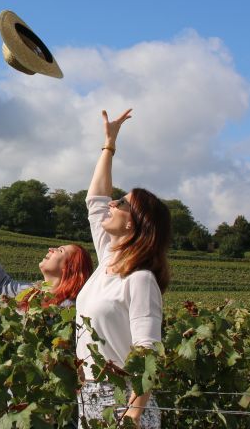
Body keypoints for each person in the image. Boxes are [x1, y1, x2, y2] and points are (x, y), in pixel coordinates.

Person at [75, 109, 171, 428]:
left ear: (133, 221)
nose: (111, 204)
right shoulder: (108, 260)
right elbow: (95, 199)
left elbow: (147, 352)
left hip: (123, 401)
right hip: (90, 396)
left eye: (121, 202)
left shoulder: (140, 279)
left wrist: (132, 415)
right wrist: (109, 144)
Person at [0, 221, 92, 311]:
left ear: (70, 268)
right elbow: (2, 283)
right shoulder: (31, 292)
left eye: (60, 250)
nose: (51, 248)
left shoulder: (69, 307)